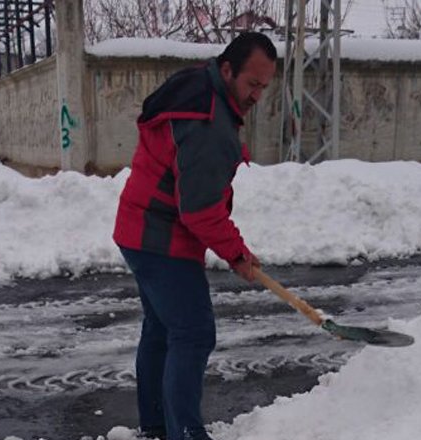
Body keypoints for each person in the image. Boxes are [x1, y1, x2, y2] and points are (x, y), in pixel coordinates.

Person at [112, 32, 277, 440]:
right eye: (251, 84)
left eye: (264, 87)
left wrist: (233, 249)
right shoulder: (209, 125)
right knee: (193, 333)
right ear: (227, 70)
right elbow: (200, 210)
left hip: (138, 227)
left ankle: (156, 426)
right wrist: (236, 253)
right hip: (161, 238)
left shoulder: (197, 86)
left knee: (161, 329)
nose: (257, 95)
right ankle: (183, 433)